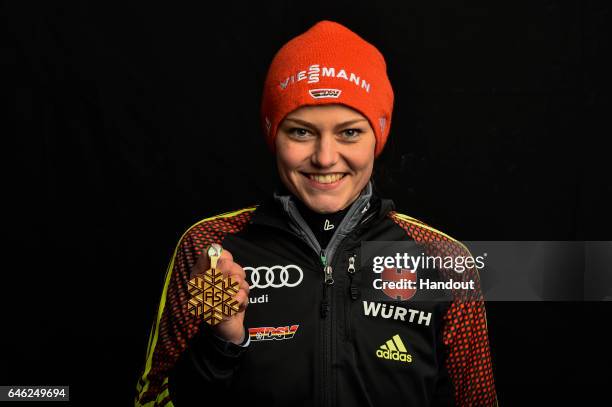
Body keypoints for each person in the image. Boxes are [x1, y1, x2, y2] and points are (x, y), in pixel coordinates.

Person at [134, 20, 498, 407]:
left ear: (379, 136)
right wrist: (222, 341)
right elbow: (153, 402)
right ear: (273, 134)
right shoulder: (210, 248)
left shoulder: (444, 261)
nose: (325, 158)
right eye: (301, 132)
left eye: (350, 132)